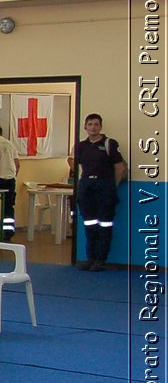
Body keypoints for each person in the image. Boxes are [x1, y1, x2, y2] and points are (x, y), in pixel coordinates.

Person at [72, 113, 126, 270]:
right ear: (85, 127)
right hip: (87, 186)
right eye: (90, 124)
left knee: (104, 225)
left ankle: (100, 260)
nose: (93, 127)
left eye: (96, 124)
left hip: (105, 187)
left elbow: (119, 167)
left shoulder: (110, 144)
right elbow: (73, 162)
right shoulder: (81, 146)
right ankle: (90, 259)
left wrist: (111, 186)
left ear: (101, 127)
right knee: (89, 224)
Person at [0, 125, 19, 240]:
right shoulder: (10, 144)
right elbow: (17, 163)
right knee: (9, 206)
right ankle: (8, 232)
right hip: (10, 178)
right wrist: (13, 176)